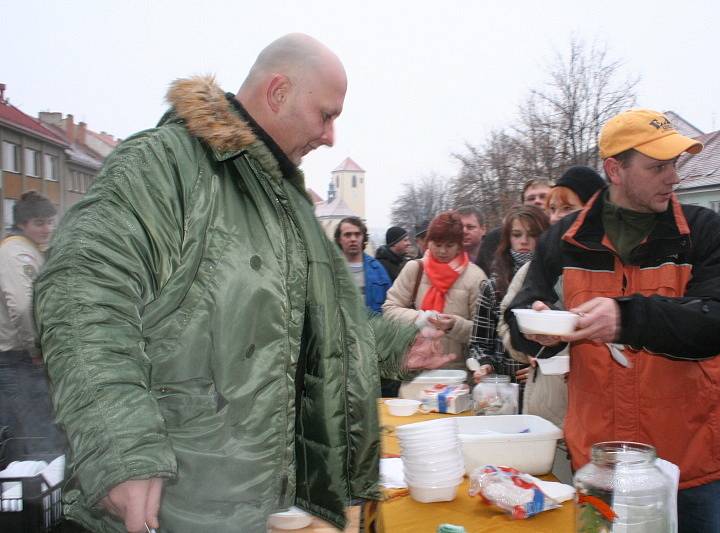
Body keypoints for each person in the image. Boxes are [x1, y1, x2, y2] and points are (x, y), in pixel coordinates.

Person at [34, 34, 454, 533]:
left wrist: (394, 344)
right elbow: (80, 292)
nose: (331, 137)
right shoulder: (166, 164)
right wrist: (120, 441)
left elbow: (313, 328)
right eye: (326, 115)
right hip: (173, 506)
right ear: (277, 93)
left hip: (260, 505)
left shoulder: (285, 202)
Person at [505, 108, 720, 531]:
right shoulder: (563, 243)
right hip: (601, 464)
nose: (673, 177)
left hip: (689, 466)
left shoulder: (705, 232)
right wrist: (540, 333)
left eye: (674, 164)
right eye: (658, 167)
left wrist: (627, 319)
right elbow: (521, 318)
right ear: (615, 169)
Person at [492, 166, 606, 427]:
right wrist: (532, 341)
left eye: (566, 208)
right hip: (549, 409)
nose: (555, 218)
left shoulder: (620, 264)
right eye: (552, 209)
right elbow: (507, 321)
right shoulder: (536, 266)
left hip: (601, 407)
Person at [0, 191, 65, 460]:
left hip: (20, 358)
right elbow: (25, 306)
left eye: (50, 221)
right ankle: (34, 496)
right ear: (23, 224)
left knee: (25, 434)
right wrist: (37, 347)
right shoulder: (17, 253)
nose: (47, 229)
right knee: (35, 436)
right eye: (39, 223)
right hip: (18, 359)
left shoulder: (30, 250)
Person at [383, 211, 486, 372]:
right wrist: (421, 318)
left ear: (459, 245)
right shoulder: (415, 269)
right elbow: (389, 310)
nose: (442, 251)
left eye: (449, 245)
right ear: (428, 242)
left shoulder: (475, 277)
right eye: (437, 245)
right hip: (416, 368)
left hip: (458, 372)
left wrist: (454, 325)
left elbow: (483, 331)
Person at [468, 206, 550, 407]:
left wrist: (543, 366)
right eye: (516, 234)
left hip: (547, 391)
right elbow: (478, 343)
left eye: (533, 235)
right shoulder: (492, 287)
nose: (524, 241)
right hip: (503, 392)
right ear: (507, 239)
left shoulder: (557, 282)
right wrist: (485, 365)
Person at [475, 178, 550, 275]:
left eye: (543, 197)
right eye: (531, 198)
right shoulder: (495, 238)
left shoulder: (563, 237)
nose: (537, 201)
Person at [334, 216, 391, 313]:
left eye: (357, 234)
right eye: (347, 235)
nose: (353, 239)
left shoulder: (377, 269)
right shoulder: (330, 269)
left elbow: (390, 306)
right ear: (339, 239)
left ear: (363, 237)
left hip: (372, 327)